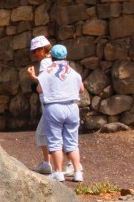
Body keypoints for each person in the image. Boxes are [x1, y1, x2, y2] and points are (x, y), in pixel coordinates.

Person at [36, 44, 84, 182]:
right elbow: (81, 89)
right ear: (65, 56)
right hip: (72, 107)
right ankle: (77, 172)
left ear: (52, 56)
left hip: (54, 107)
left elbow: (39, 89)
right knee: (72, 142)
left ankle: (58, 172)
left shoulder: (46, 71)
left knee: (55, 141)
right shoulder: (74, 72)